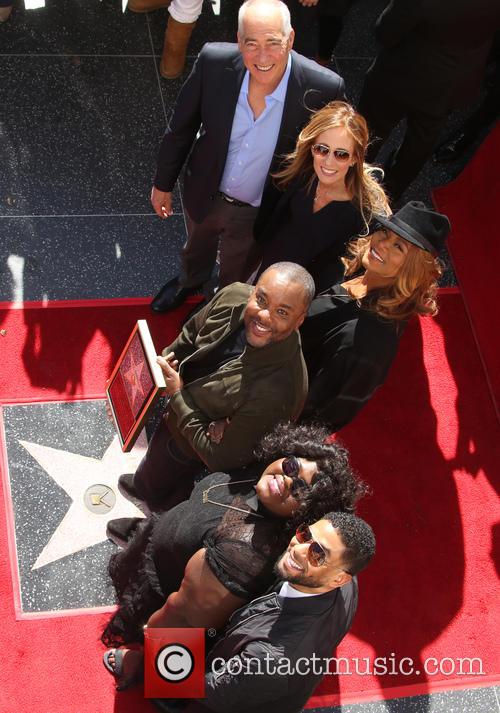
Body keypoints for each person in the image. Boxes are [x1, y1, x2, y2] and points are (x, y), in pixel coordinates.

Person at [102, 425, 368, 691]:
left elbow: (181, 619)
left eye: (300, 489)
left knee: (162, 661)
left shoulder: (243, 555)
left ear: (307, 512)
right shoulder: (261, 476)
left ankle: (143, 670)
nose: (287, 480)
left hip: (164, 594)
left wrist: (148, 653)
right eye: (291, 466)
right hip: (165, 548)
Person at [149, 0, 346, 313]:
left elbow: (334, 151)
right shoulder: (214, 61)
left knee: (237, 270)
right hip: (206, 188)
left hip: (259, 208)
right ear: (239, 40)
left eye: (273, 43)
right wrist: (163, 182)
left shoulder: (323, 88)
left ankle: (217, 308)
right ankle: (188, 282)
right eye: (251, 44)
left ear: (291, 39)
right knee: (194, 248)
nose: (263, 56)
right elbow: (182, 126)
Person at [118, 262, 313, 513]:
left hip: (187, 444)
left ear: (300, 320)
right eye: (262, 300)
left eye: (282, 312)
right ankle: (144, 484)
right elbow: (190, 334)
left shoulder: (281, 390)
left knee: (165, 481)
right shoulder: (234, 294)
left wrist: (177, 394)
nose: (264, 316)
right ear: (253, 290)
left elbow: (220, 457)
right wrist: (164, 364)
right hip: (174, 418)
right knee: (153, 466)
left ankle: (151, 510)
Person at [153, 511, 376, 713]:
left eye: (317, 554)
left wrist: (154, 663)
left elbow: (211, 691)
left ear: (339, 579)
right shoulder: (346, 582)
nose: (298, 550)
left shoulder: (269, 658)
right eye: (305, 535)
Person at [300, 201, 451, 430]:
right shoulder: (362, 272)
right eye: (385, 232)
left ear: (413, 269)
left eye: (399, 246)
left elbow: (319, 416)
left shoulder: (368, 342)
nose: (382, 244)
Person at [358, 0, 500, 201]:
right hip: (452, 86)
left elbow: (385, 31)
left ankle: (348, 180)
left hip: (400, 76)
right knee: (416, 150)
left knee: (367, 133)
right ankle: (386, 199)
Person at [255, 100, 390, 293]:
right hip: (267, 269)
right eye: (322, 149)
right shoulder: (302, 173)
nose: (328, 161)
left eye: (341, 154)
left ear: (354, 158)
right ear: (312, 148)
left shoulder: (363, 214)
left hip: (303, 294)